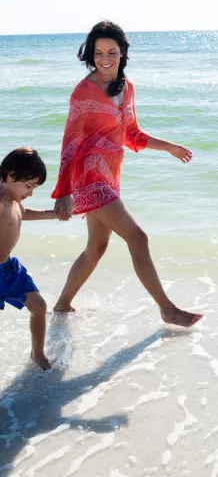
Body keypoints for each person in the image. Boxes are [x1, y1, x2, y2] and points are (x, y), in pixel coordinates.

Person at [51, 20, 203, 328]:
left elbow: (131, 133)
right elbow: (70, 143)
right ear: (90, 55)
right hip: (87, 176)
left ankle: (62, 306)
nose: (105, 59)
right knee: (138, 237)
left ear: (123, 53)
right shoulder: (83, 93)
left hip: (110, 175)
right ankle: (167, 309)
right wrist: (63, 191)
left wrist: (169, 147)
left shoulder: (127, 87)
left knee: (97, 247)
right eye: (98, 53)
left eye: (112, 52)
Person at [0, 147, 58, 370]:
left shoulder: (13, 200)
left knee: (39, 307)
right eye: (28, 186)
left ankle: (38, 353)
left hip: (10, 269)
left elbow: (24, 213)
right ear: (10, 175)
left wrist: (53, 214)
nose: (30, 193)